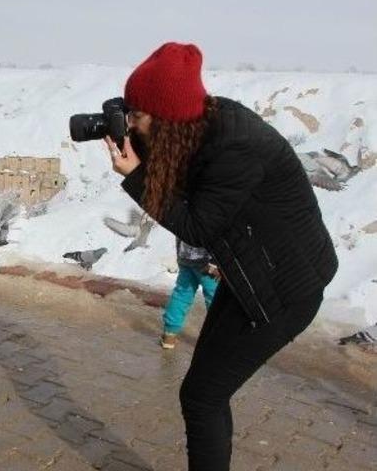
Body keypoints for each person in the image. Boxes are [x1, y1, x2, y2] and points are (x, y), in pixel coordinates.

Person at [104, 42, 338, 470]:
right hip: (252, 273)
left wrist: (136, 176)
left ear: (167, 117)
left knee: (202, 395)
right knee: (204, 392)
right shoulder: (200, 126)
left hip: (286, 289)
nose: (132, 124)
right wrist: (137, 143)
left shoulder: (234, 148)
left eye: (136, 116)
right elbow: (182, 175)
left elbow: (197, 227)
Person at [161, 239, 219, 349]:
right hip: (208, 263)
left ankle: (169, 335)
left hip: (186, 256)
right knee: (215, 299)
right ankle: (220, 337)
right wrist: (215, 262)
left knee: (181, 295)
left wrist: (180, 255)